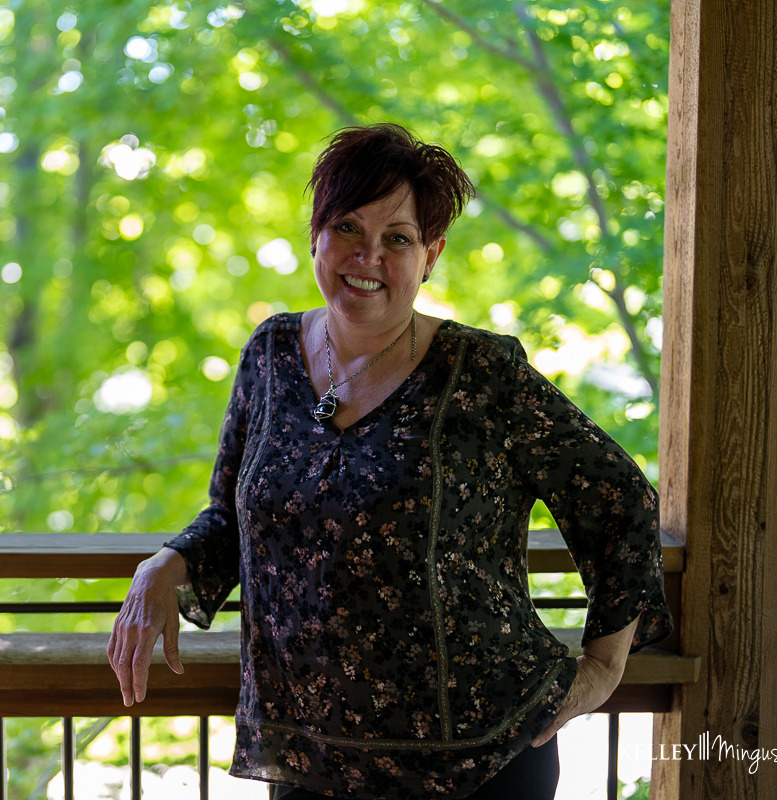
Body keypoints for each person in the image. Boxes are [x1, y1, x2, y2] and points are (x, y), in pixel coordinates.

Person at [107, 123, 672, 799]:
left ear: (429, 256)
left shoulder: (482, 372)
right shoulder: (269, 355)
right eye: (347, 226)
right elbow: (234, 520)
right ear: (315, 235)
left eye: (397, 237)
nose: (367, 254)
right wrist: (164, 564)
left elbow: (617, 497)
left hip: (478, 762)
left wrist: (604, 666)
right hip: (310, 761)